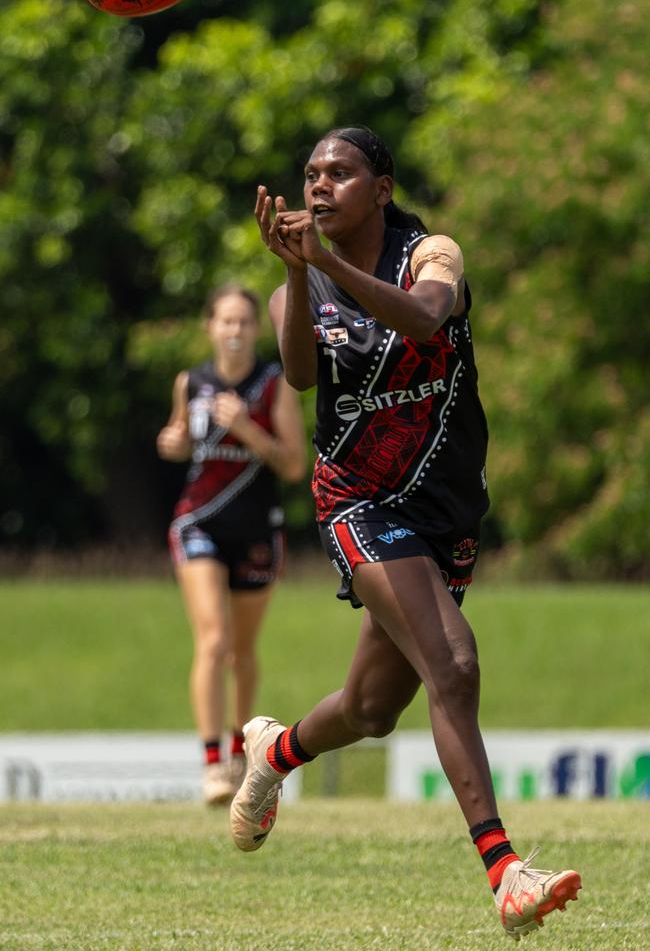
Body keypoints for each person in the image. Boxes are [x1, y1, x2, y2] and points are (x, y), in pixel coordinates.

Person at [228, 127, 582, 939]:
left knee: (372, 707)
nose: (320, 186)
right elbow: (303, 374)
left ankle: (275, 752)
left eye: (341, 173)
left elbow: (426, 320)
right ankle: (505, 872)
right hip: (357, 500)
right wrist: (296, 272)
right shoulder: (303, 287)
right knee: (453, 664)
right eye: (311, 174)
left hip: (445, 509)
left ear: (381, 189)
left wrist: (327, 264)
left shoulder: (432, 255)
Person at [157, 284, 306, 805]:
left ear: (256, 329)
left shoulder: (273, 384)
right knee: (214, 641)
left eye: (244, 322)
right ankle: (212, 764)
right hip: (198, 521)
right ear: (210, 327)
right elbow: (178, 437)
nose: (236, 331)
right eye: (226, 322)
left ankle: (244, 752)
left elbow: (293, 464)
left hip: (257, 529)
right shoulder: (191, 381)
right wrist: (171, 443)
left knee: (242, 651)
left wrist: (245, 427)